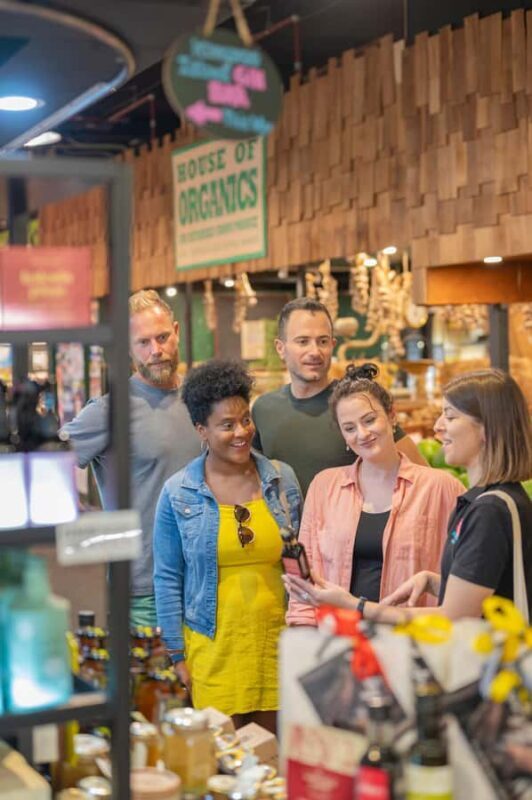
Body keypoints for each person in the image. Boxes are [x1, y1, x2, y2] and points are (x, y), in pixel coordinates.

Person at [284, 369, 532, 623]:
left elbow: (455, 614)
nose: (437, 426)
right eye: (349, 427)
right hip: (345, 636)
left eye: (450, 416)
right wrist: (433, 582)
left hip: (426, 639)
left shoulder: (484, 507)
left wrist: (353, 605)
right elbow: (476, 588)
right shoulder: (491, 501)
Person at [153, 359, 302, 731]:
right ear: (201, 430)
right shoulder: (178, 493)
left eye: (245, 420)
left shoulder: (282, 480)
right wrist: (177, 656)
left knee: (274, 758)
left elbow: (304, 565)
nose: (241, 432)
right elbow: (167, 578)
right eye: (227, 425)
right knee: (223, 758)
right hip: (213, 651)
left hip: (278, 645)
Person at [62, 290, 200, 627]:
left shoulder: (201, 400)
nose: (156, 350)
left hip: (205, 581)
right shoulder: (110, 411)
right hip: (144, 592)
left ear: (177, 332)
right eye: (143, 342)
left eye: (162, 337)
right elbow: (43, 464)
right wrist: (87, 524)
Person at [252, 297, 426, 496]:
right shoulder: (263, 409)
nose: (314, 351)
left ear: (333, 345)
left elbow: (422, 475)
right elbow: (252, 478)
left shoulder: (357, 403)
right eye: (303, 341)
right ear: (280, 348)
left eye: (323, 341)